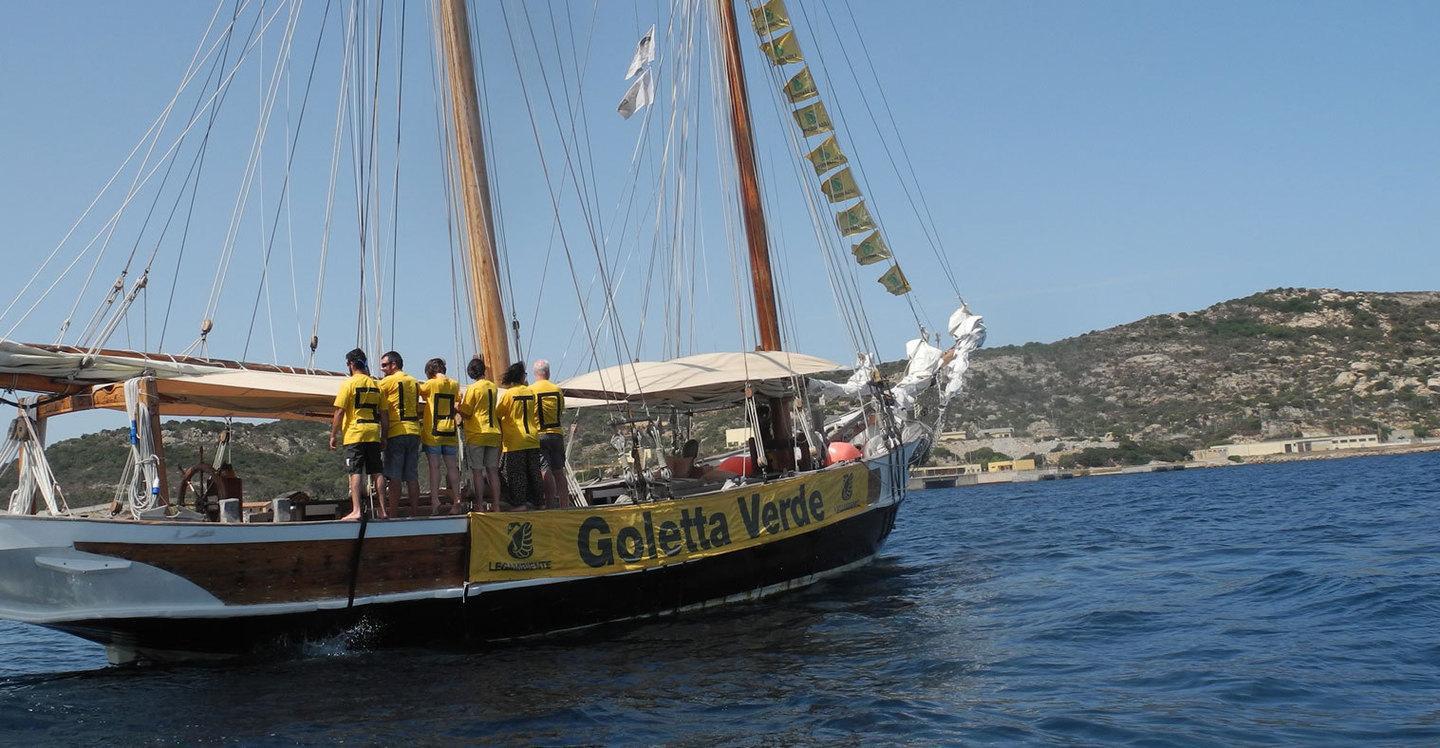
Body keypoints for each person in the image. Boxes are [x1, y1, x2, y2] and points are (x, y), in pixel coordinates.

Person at [329, 348, 387, 520]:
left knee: (355, 471)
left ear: (352, 364)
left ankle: (356, 510)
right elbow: (384, 414)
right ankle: (383, 510)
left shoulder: (349, 384)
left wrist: (333, 434)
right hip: (373, 431)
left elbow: (339, 411)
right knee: (377, 471)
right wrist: (384, 436)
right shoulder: (377, 385)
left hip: (355, 433)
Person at [376, 351, 423, 519]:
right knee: (412, 475)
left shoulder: (386, 382)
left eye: (384, 365)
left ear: (394, 364)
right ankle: (415, 512)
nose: (382, 369)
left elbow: (377, 401)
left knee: (394, 476)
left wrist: (383, 435)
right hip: (414, 431)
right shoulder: (414, 381)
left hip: (396, 431)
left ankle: (393, 513)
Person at [457, 355, 503, 511]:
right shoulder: (493, 387)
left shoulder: (473, 389)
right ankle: (496, 504)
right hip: (494, 431)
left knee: (477, 471)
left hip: (477, 432)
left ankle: (480, 504)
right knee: (492, 471)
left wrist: (457, 407)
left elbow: (467, 412)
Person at [420, 357, 464, 514]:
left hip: (433, 431)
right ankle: (457, 500)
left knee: (434, 467)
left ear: (430, 371)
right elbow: (458, 401)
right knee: (452, 467)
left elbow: (419, 392)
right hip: (450, 431)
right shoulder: (454, 384)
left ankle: (435, 501)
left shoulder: (431, 384)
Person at [496, 361, 543, 510]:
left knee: (516, 474)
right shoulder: (530, 392)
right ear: (522, 377)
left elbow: (498, 414)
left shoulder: (509, 394)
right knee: (534, 472)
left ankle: (520, 503)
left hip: (515, 439)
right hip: (532, 437)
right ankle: (539, 502)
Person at [530, 359, 566, 507]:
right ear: (548, 373)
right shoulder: (557, 389)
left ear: (535, 374)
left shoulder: (531, 390)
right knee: (559, 471)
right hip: (556, 433)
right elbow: (561, 409)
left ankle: (550, 504)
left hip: (539, 434)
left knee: (544, 470)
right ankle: (565, 505)